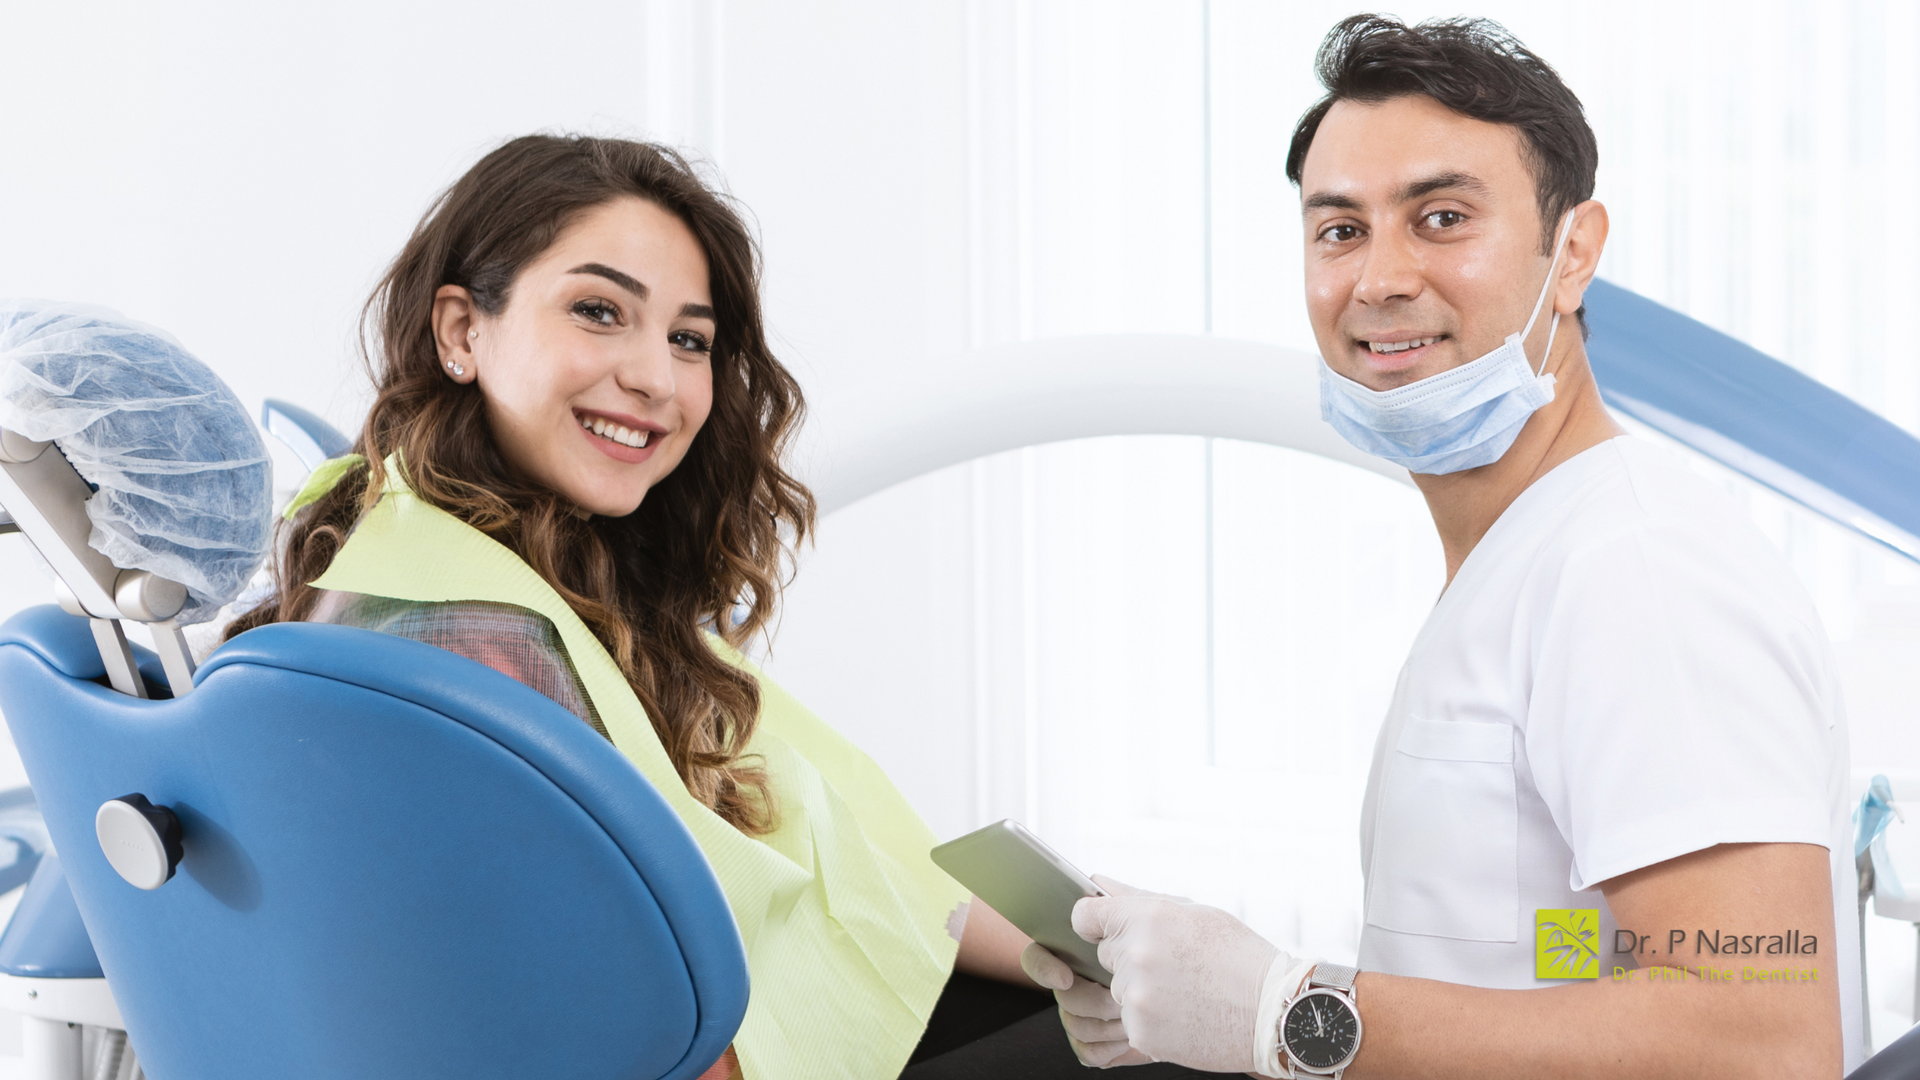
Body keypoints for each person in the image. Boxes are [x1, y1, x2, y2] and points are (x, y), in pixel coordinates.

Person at [1022, 16, 1862, 1079]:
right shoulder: (1528, 559)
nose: (1379, 279)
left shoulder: (1636, 572)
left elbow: (1764, 1042)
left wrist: (1290, 1014)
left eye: (1443, 217)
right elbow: (1553, 964)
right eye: (1339, 231)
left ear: (1577, 254)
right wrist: (1212, 1009)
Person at [224, 134, 1135, 1079]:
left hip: (764, 1015)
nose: (657, 378)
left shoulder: (537, 573)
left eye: (688, 339)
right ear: (461, 331)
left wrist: (1086, 942)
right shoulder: (467, 641)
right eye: (597, 310)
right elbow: (602, 1024)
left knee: (1159, 1023)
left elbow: (843, 858)